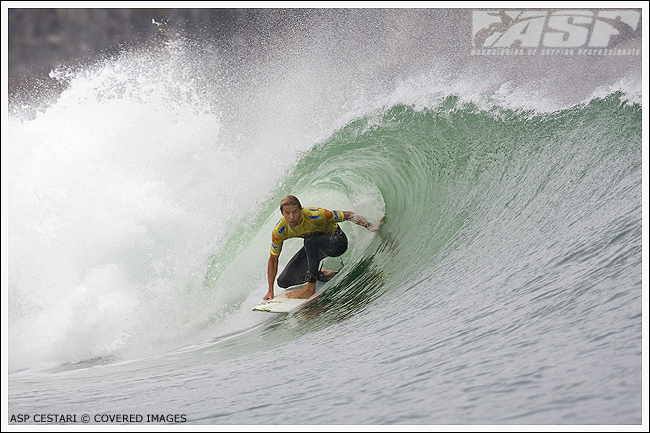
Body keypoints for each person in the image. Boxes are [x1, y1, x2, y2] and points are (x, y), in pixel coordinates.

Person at [264, 195, 383, 301]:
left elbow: (347, 215)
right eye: (287, 213)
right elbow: (273, 259)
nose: (291, 217)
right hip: (314, 248)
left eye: (295, 212)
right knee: (283, 281)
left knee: (309, 241)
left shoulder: (316, 215)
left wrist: (369, 226)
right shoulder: (279, 231)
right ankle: (322, 274)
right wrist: (270, 290)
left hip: (336, 243)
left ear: (301, 210)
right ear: (282, 213)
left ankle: (310, 288)